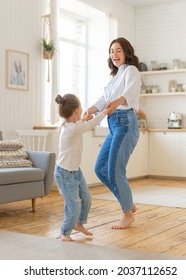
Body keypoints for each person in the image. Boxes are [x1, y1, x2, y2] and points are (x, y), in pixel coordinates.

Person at [83, 37, 142, 230]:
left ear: (126, 52)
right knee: (101, 169)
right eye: (111, 51)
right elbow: (104, 99)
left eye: (117, 50)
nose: (114, 55)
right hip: (114, 124)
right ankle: (128, 203)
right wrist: (90, 110)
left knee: (116, 171)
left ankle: (127, 214)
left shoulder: (132, 70)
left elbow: (130, 93)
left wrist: (116, 102)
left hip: (126, 123)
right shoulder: (115, 76)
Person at [54, 93, 111, 242]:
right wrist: (104, 112)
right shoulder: (71, 128)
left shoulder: (72, 125)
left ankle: (78, 224)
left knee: (86, 198)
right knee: (74, 204)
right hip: (64, 173)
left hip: (75, 171)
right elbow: (90, 125)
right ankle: (64, 231)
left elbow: (82, 124)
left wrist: (84, 119)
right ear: (78, 110)